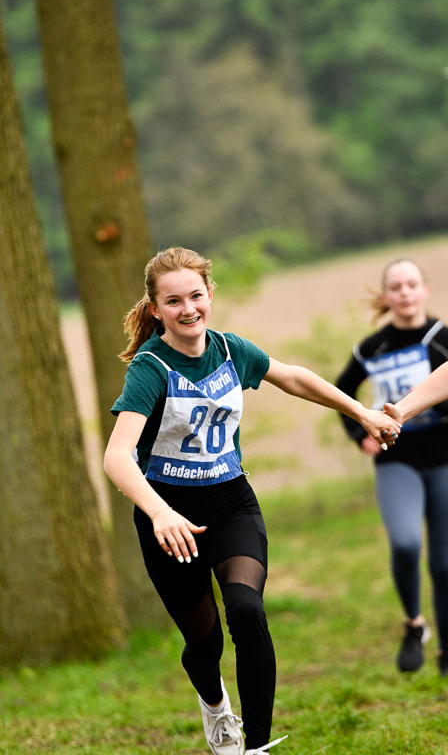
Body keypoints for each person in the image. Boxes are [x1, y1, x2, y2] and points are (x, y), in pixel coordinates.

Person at [103, 247, 401, 755]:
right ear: (155, 308)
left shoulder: (229, 349)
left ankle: (256, 748)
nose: (188, 308)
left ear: (210, 295)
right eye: (173, 301)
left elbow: (292, 377)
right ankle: (217, 706)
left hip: (230, 503)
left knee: (245, 609)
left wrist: (363, 414)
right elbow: (116, 457)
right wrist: (160, 512)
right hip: (170, 517)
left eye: (196, 295)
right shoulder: (151, 369)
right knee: (204, 643)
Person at [335, 258, 448, 677]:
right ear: (386, 297)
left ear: (424, 291)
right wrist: (359, 434)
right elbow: (342, 392)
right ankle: (415, 624)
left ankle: (447, 651)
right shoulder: (370, 348)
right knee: (405, 543)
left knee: (445, 563)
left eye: (411, 284)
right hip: (396, 458)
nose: (404, 292)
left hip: (444, 458)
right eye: (395, 286)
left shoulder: (443, 338)